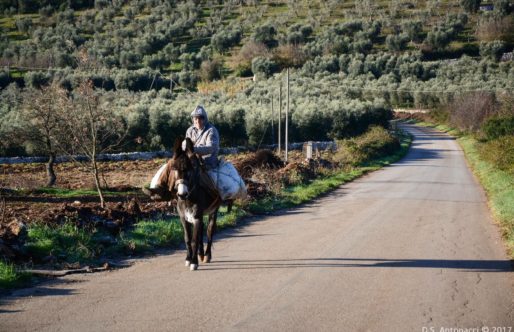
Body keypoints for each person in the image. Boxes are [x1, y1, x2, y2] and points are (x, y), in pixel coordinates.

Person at [184, 105, 220, 170]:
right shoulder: (190, 131)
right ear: (193, 119)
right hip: (194, 163)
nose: (198, 121)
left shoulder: (211, 130)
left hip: (209, 164)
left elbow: (210, 148)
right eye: (195, 118)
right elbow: (185, 144)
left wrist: (193, 149)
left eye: (200, 118)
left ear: (205, 118)